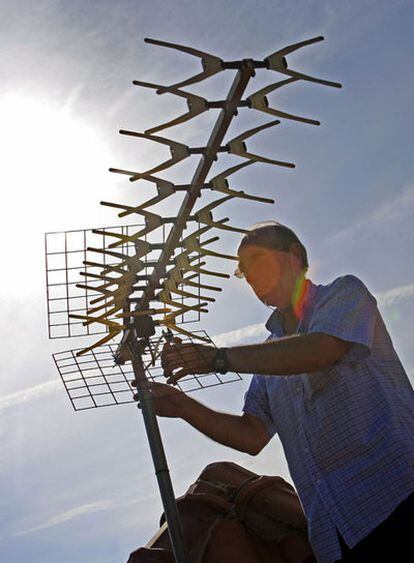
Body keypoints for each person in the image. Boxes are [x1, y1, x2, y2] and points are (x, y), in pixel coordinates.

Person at [132, 221, 414, 562]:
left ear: (295, 255)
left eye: (257, 261)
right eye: (245, 273)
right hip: (335, 536)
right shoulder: (270, 357)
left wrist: (218, 358)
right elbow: (252, 435)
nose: (251, 277)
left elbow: (320, 350)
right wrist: (183, 406)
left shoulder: (343, 294)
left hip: (396, 494)